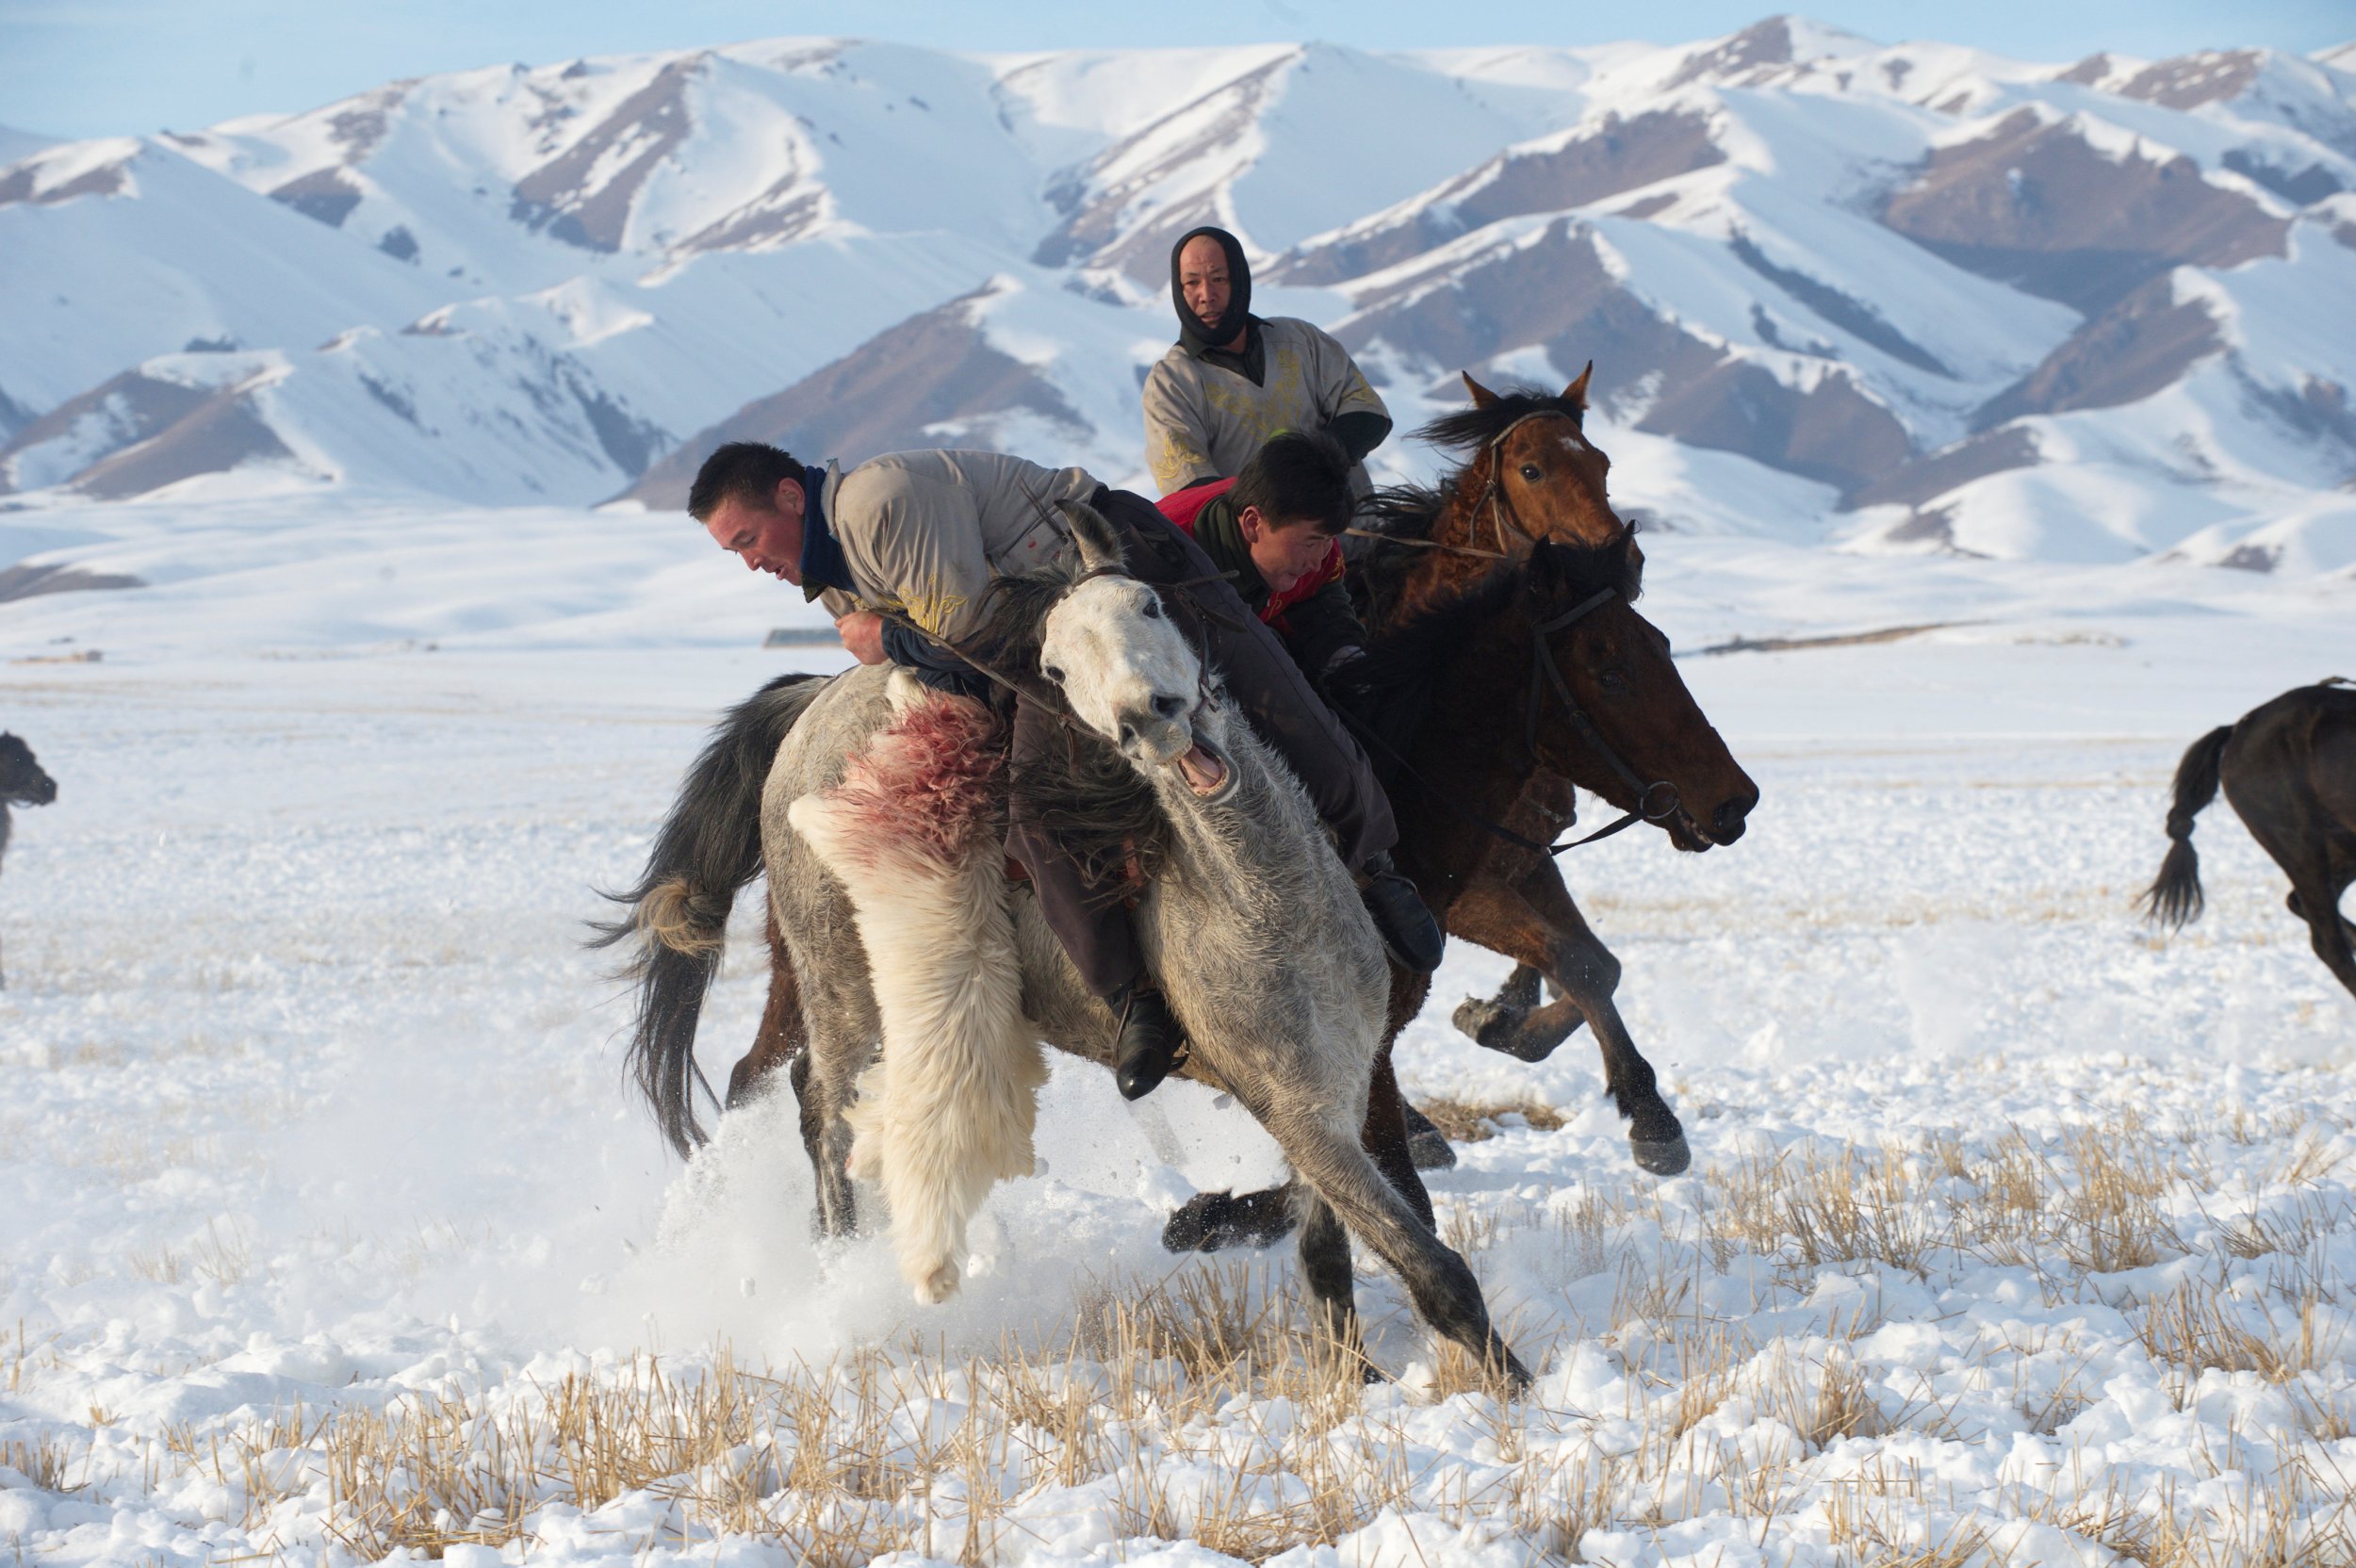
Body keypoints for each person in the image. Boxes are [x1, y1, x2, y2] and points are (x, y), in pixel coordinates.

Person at [690, 441, 1444, 1102]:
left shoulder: (879, 504)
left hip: (1123, 573)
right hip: (1055, 645)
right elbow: (978, 657)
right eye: (735, 552)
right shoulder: (828, 572)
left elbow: (974, 632)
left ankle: (1376, 870)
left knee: (1267, 696)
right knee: (1037, 814)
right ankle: (1131, 1001)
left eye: (749, 537)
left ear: (792, 497)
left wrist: (886, 634)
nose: (751, 560)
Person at [1141, 226, 1393, 507]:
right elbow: (1191, 489)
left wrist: (1313, 463)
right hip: (1255, 548)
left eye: (1219, 278)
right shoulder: (1171, 383)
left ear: (1240, 280)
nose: (1207, 294)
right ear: (1178, 288)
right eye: (1191, 282)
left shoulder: (1299, 341)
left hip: (1360, 534)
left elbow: (1369, 412)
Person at [1153, 431, 1367, 683]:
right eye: (1311, 543)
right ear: (1254, 524)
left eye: (1329, 540)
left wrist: (1347, 658)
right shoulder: (1159, 558)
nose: (1316, 562)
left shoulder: (1320, 543)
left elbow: (1321, 600)